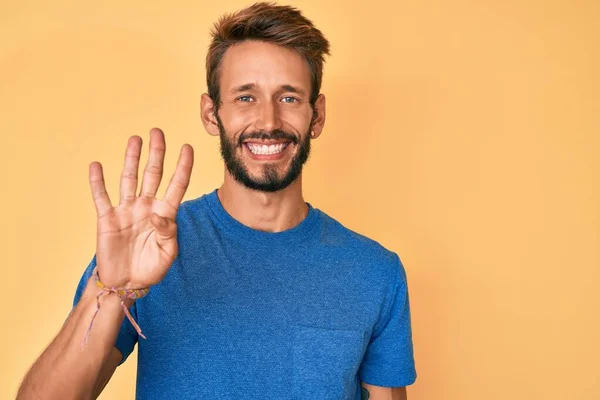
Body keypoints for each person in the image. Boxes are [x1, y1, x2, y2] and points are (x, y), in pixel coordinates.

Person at [17, 2, 416, 399]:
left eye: (289, 98)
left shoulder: (374, 272)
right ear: (211, 114)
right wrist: (108, 288)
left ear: (317, 116)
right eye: (245, 97)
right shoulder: (149, 247)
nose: (269, 121)